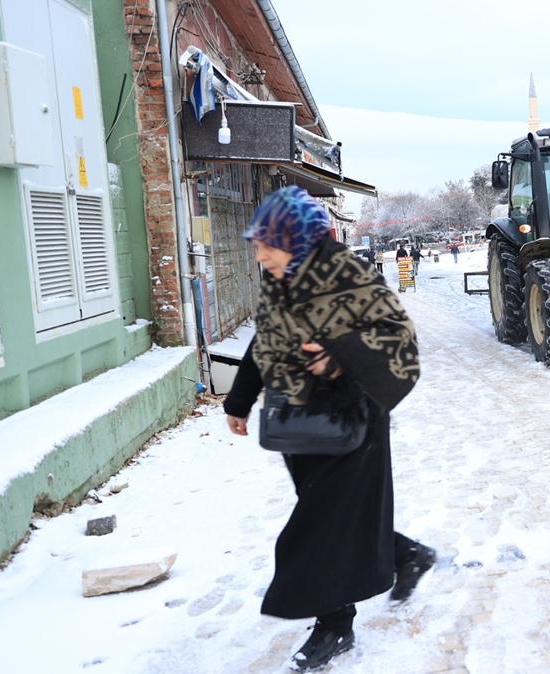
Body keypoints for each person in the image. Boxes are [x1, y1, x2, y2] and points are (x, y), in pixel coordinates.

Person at [223, 186, 436, 672]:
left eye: (267, 245)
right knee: (335, 518)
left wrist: (340, 356)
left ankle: (334, 626)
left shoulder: (350, 275)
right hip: (298, 423)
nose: (259, 255)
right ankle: (404, 555)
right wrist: (239, 399)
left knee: (316, 529)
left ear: (296, 240)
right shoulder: (284, 282)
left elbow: (397, 339)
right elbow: (265, 340)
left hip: (352, 420)